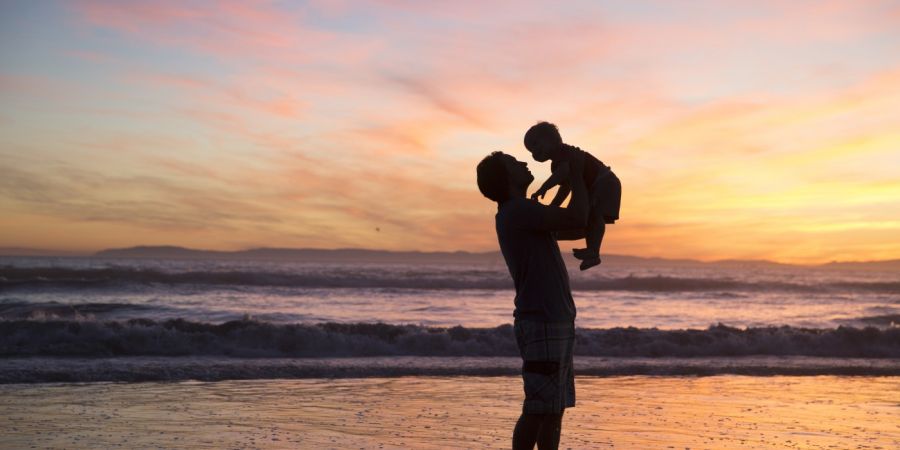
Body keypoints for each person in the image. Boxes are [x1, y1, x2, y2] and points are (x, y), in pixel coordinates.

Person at [476, 150, 589, 450]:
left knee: (553, 407)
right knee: (540, 407)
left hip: (553, 319)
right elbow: (577, 217)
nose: (524, 163)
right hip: (543, 321)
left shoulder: (524, 213)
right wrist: (576, 173)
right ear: (507, 178)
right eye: (515, 163)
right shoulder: (518, 210)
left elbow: (577, 225)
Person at [524, 122, 622, 271]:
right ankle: (593, 252)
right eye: (531, 150)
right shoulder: (557, 163)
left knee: (595, 215)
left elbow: (563, 174)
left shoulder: (565, 153)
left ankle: (594, 251)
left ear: (552, 139)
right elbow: (566, 187)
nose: (534, 153)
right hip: (596, 185)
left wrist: (544, 187)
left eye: (536, 145)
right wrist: (553, 207)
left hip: (604, 182)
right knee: (591, 217)